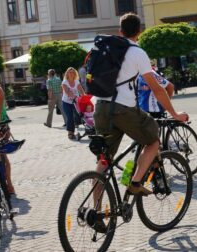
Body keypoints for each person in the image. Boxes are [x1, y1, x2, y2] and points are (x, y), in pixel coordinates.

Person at [94, 13, 188, 199]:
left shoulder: (104, 48)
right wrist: (175, 113)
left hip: (100, 107)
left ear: (120, 31)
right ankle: (134, 183)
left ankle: (94, 209)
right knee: (153, 141)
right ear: (139, 32)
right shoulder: (137, 52)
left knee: (104, 160)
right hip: (123, 109)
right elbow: (158, 90)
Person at [0, 84, 15, 194]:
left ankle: (8, 185)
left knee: (3, 156)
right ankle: (8, 186)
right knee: (2, 156)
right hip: (1, 125)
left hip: (0, 126)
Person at [62, 67, 85, 139]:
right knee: (70, 117)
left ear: (75, 74)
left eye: (73, 72)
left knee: (81, 115)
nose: (71, 73)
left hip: (76, 102)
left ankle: (89, 129)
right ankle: (70, 133)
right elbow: (67, 92)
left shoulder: (77, 81)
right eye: (70, 72)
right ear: (67, 74)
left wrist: (85, 97)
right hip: (66, 102)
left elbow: (81, 91)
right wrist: (74, 97)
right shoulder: (64, 82)